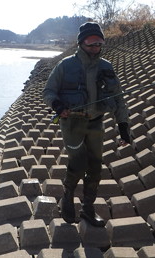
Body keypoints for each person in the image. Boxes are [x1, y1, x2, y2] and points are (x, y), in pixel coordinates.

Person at [43, 22, 130, 227]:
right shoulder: (65, 65)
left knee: (95, 167)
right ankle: (68, 197)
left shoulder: (106, 67)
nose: (95, 48)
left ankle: (88, 209)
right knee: (78, 163)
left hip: (96, 124)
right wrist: (57, 105)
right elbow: (48, 91)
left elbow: (118, 99)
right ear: (81, 43)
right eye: (91, 43)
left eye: (99, 43)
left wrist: (124, 127)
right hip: (72, 123)